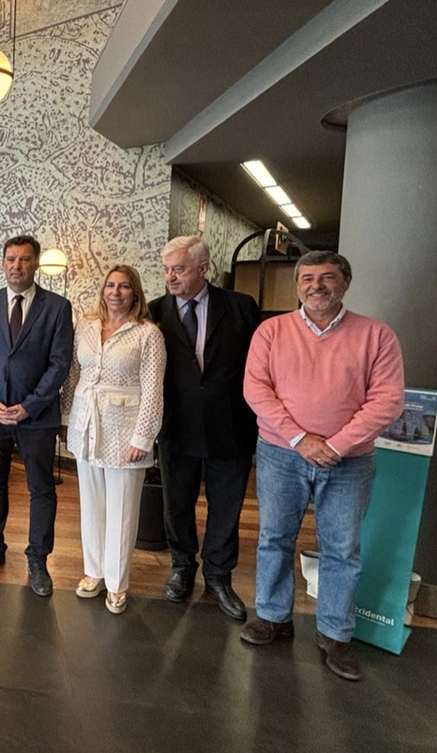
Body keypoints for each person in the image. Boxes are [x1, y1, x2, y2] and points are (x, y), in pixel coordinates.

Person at [241, 251, 404, 681]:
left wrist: (335, 444)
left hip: (349, 462)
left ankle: (335, 633)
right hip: (280, 453)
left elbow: (387, 400)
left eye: (327, 277)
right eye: (308, 278)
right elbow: (256, 390)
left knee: (342, 549)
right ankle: (273, 616)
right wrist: (300, 439)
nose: (317, 286)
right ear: (297, 286)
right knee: (274, 538)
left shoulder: (376, 335)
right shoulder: (271, 332)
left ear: (345, 282)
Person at [148, 236, 260, 620]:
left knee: (226, 507)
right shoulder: (154, 312)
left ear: (202, 268)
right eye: (166, 269)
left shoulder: (241, 308)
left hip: (231, 426)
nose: (169, 277)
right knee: (176, 503)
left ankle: (218, 576)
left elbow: (257, 367)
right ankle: (182, 567)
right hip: (176, 427)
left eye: (177, 269)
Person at [0, 234, 74, 596]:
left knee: (41, 488)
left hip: (37, 416)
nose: (17, 265)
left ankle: (38, 559)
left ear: (36, 263)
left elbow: (60, 364)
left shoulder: (58, 307)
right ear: (2, 263)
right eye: (11, 259)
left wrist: (30, 405)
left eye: (25, 259)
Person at [67, 265, 165, 614]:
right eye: (110, 285)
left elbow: (154, 390)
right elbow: (74, 375)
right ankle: (93, 572)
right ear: (102, 290)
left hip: (126, 430)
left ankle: (117, 582)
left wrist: (144, 436)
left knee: (122, 510)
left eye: (124, 286)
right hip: (86, 425)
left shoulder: (147, 333)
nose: (116, 292)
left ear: (135, 293)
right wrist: (68, 421)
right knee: (91, 504)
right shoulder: (87, 328)